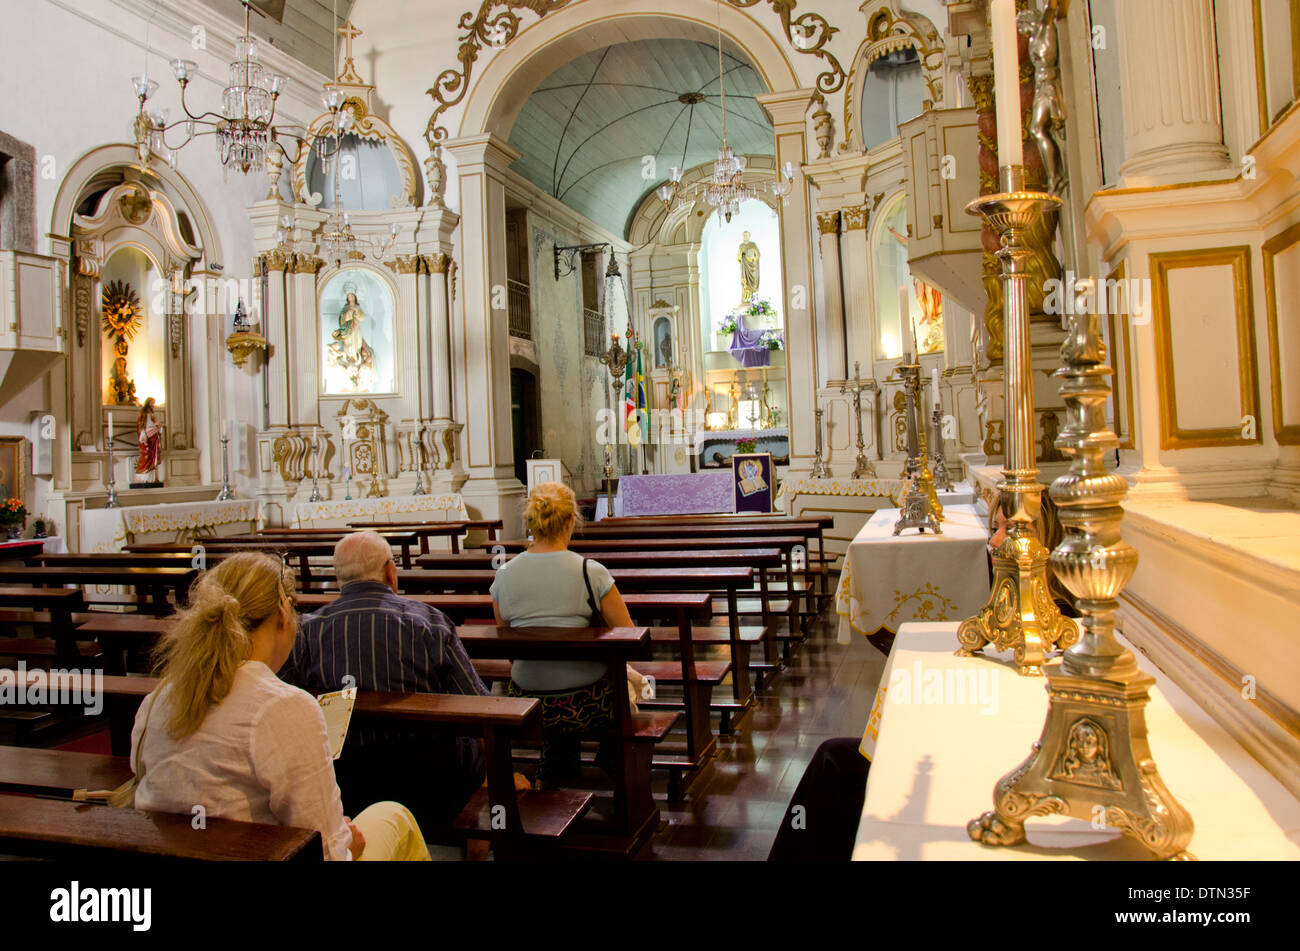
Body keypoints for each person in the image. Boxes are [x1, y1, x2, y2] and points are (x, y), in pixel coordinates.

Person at [130, 551, 429, 861]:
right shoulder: (282, 705)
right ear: (283, 613)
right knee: (394, 816)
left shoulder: (159, 697)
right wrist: (348, 846)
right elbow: (325, 850)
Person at [280, 531, 489, 833]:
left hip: (345, 781)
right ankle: (477, 847)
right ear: (391, 571)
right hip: (431, 780)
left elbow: (289, 704)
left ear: (339, 578)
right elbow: (476, 702)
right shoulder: (428, 622)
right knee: (471, 749)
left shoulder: (308, 631)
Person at [490, 482, 634, 787]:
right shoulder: (590, 571)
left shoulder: (503, 576)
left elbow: (507, 642)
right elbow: (628, 637)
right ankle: (612, 760)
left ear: (530, 522)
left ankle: (557, 764)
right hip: (585, 701)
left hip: (525, 694)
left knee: (558, 681)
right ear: (571, 521)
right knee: (625, 684)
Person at [135, 397, 162, 481]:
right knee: (146, 454)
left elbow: (156, 423)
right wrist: (144, 435)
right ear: (148, 403)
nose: (153, 405)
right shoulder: (143, 413)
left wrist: (158, 427)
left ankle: (152, 478)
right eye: (152, 403)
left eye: (154, 403)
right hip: (147, 435)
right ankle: (143, 476)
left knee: (153, 455)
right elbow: (141, 425)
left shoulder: (152, 413)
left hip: (154, 435)